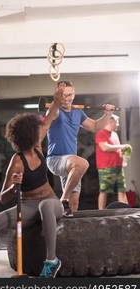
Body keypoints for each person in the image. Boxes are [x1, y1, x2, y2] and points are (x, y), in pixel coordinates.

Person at [0, 113, 63, 278]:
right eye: (35, 130)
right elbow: (2, 198)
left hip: (51, 202)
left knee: (45, 205)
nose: (39, 133)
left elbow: (48, 120)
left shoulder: (38, 148)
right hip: (28, 206)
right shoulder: (16, 162)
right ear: (28, 134)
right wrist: (15, 187)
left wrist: (57, 102)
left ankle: (51, 261)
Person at [45, 80, 115, 216]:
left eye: (69, 95)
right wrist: (56, 100)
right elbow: (52, 111)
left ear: (74, 94)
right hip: (56, 160)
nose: (67, 98)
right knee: (82, 163)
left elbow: (95, 126)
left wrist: (108, 114)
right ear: (58, 95)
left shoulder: (78, 113)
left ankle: (66, 230)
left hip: (72, 165)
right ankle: (63, 199)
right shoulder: (55, 111)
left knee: (74, 201)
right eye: (63, 95)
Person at [95, 114, 130, 210]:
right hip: (106, 167)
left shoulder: (114, 134)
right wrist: (122, 146)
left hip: (118, 166)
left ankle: (125, 211)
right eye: (116, 122)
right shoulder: (101, 133)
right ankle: (101, 212)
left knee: (122, 189)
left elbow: (118, 149)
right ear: (110, 122)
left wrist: (124, 158)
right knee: (104, 190)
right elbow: (105, 147)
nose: (118, 124)